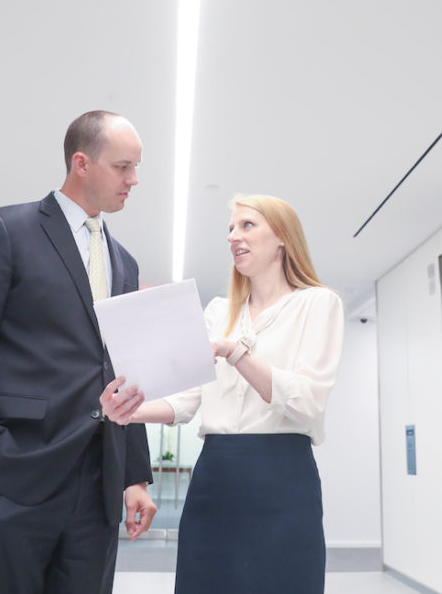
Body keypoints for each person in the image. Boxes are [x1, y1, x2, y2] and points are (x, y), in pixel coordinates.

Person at [0, 110, 157, 594]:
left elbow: (124, 370)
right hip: (14, 477)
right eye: (123, 167)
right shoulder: (6, 231)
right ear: (82, 163)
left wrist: (133, 477)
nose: (133, 180)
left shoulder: (125, 263)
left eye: (136, 168)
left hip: (97, 490)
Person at [101, 194, 344, 594]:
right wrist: (128, 412)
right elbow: (186, 401)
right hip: (216, 476)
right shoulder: (217, 312)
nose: (234, 236)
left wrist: (237, 353)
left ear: (283, 237)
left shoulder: (317, 304)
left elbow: (306, 401)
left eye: (247, 225)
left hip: (282, 477)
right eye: (231, 228)